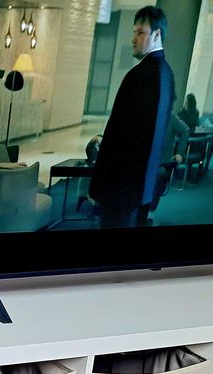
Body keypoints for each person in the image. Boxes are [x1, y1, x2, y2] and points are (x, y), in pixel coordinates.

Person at [88, 6, 175, 229]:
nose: (133, 38)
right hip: (144, 186)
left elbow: (115, 136)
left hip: (120, 187)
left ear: (157, 34)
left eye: (141, 32)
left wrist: (97, 186)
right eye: (134, 32)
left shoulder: (138, 76)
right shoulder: (167, 75)